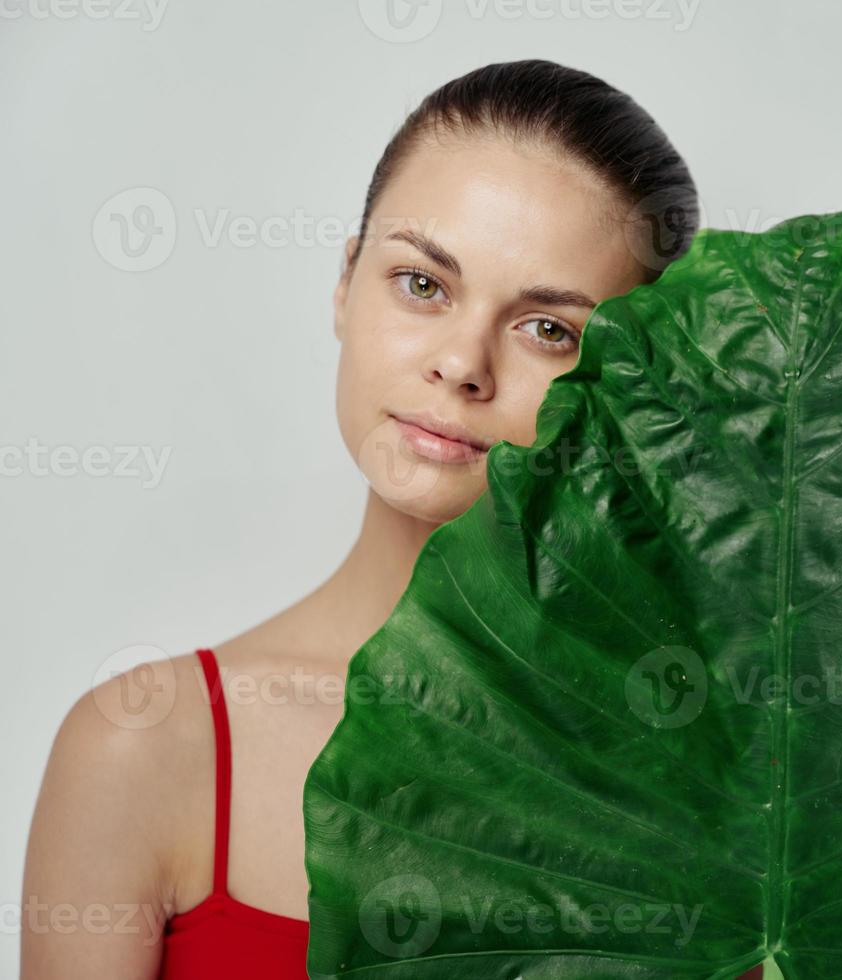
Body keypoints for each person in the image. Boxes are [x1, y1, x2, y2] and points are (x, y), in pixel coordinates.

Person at [20, 59, 763, 979]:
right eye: (422, 283)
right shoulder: (145, 746)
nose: (462, 364)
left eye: (549, 329)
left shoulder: (732, 784)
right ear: (345, 284)